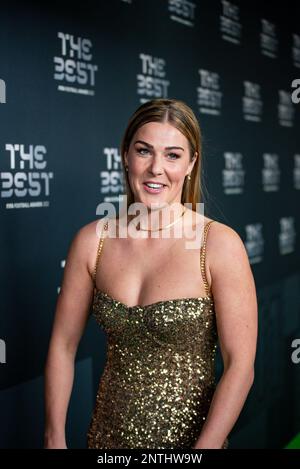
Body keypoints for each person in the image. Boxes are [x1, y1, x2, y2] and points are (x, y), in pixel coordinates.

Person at [44, 98, 258, 449]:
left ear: (191, 163)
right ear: (125, 155)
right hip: (105, 441)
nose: (156, 168)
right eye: (144, 151)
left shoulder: (218, 244)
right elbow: (62, 346)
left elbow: (240, 367)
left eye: (173, 155)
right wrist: (53, 438)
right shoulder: (92, 241)